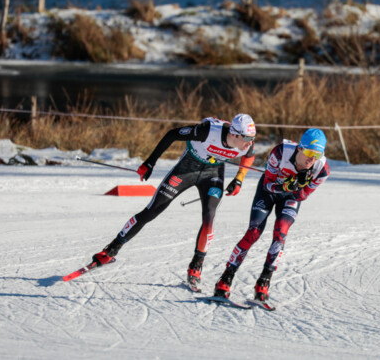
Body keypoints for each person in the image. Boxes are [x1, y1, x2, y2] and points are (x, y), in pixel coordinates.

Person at [90, 113, 257, 291]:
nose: (250, 143)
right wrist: (150, 163)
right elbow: (172, 134)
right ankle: (111, 250)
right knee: (152, 210)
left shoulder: (246, 144)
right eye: (247, 138)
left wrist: (239, 179)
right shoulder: (207, 132)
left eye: (252, 138)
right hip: (187, 169)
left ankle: (196, 265)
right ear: (234, 134)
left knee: (209, 217)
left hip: (212, 174)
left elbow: (249, 157)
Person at [213, 128, 330, 303]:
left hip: (290, 197)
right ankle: (226, 278)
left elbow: (303, 196)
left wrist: (298, 187)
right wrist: (287, 186)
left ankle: (264, 282)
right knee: (253, 232)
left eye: (317, 154)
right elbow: (267, 185)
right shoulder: (281, 152)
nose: (311, 159)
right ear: (299, 148)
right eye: (308, 152)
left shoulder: (322, 170)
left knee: (280, 235)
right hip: (268, 192)